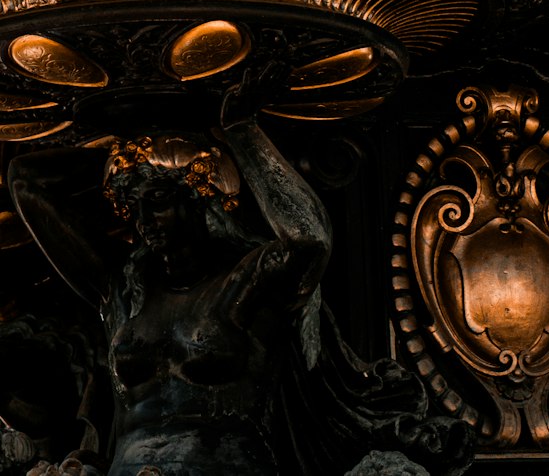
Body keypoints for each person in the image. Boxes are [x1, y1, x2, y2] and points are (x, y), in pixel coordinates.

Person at [8, 87, 331, 476]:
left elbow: (308, 239)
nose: (143, 220)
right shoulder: (123, 291)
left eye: (158, 200)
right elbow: (26, 181)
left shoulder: (246, 282)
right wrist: (130, 152)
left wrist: (240, 132)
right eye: (133, 203)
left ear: (199, 196)